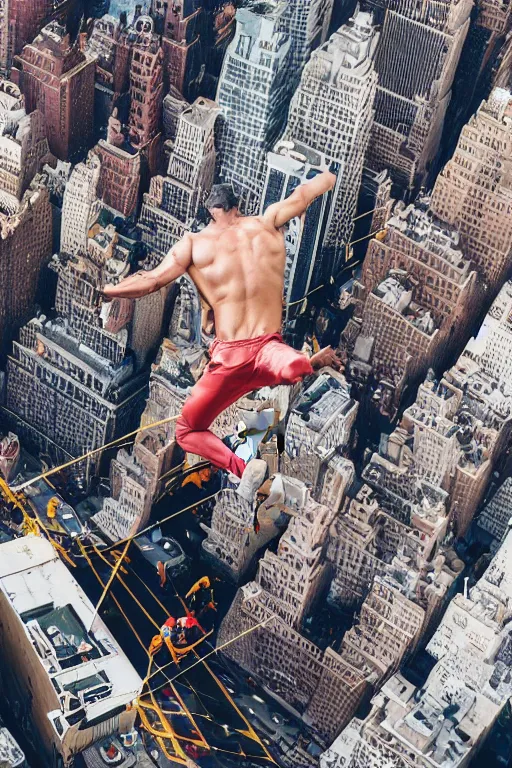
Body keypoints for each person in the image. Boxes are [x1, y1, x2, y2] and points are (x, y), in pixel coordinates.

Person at [103, 173, 341, 503]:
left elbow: (151, 281)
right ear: (237, 207)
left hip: (230, 356)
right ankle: (304, 363)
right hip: (268, 346)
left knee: (187, 431)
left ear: (211, 210)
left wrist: (108, 290)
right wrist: (328, 177)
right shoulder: (267, 221)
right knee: (284, 364)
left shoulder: (195, 244)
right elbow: (302, 196)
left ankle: (241, 467)